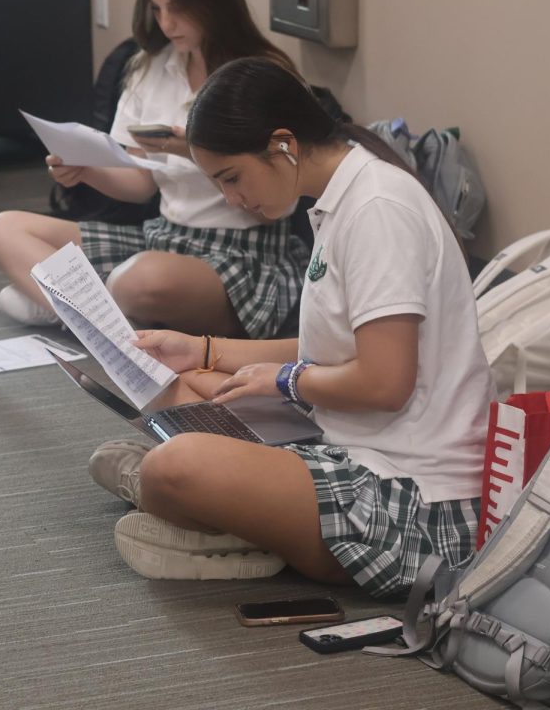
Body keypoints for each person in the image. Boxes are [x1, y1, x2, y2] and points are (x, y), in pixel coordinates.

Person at [88, 57, 494, 598]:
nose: (233, 199)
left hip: (414, 506)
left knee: (178, 463)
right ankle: (218, 520)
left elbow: (384, 382)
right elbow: (332, 347)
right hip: (351, 445)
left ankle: (184, 503)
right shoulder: (343, 198)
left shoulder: (377, 209)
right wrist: (203, 350)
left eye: (232, 179)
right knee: (182, 387)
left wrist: (285, 381)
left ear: (282, 144)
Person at [0, 0, 309, 339]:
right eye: (156, 9)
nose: (167, 23)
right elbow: (140, 184)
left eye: (177, 8)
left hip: (243, 252)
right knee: (5, 229)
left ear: (213, 0)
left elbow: (279, 203)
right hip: (163, 238)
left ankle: (84, 309)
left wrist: (193, 151)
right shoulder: (150, 67)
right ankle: (113, 321)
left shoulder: (261, 73)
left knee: (135, 281)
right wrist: (86, 171)